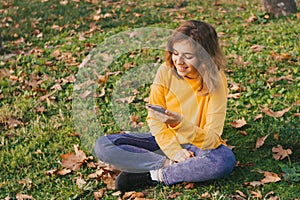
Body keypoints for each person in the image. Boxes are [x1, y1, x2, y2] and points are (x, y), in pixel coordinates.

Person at [94, 20, 236, 192]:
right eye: (175, 53)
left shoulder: (216, 80)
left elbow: (212, 138)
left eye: (188, 56)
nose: (179, 61)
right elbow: (154, 118)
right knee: (104, 145)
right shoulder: (165, 71)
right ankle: (167, 165)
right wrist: (173, 153)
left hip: (197, 144)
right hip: (163, 140)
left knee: (224, 160)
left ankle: (154, 175)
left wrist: (180, 123)